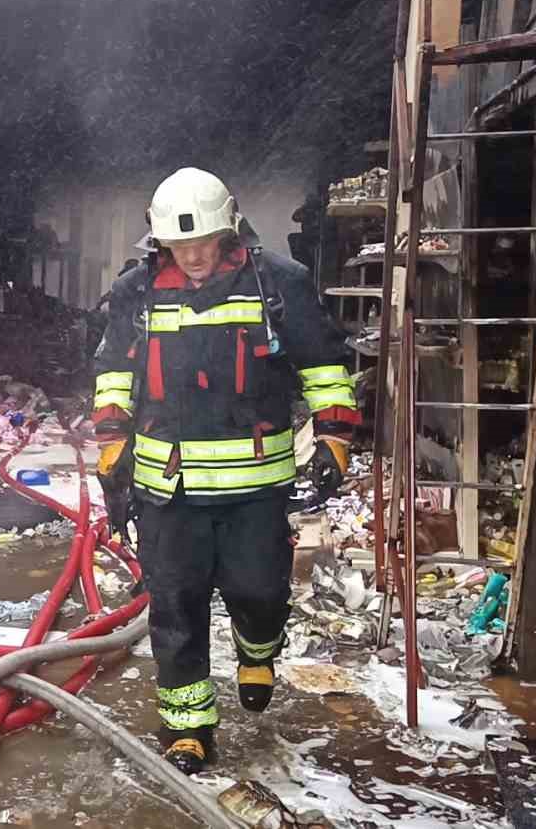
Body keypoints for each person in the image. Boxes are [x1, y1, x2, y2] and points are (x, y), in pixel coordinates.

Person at [91, 168, 360, 774]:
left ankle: (256, 651)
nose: (191, 257)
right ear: (158, 243)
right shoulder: (137, 292)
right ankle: (188, 727)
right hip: (170, 487)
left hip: (255, 487)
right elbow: (112, 370)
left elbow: (323, 364)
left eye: (202, 244)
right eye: (178, 247)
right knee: (176, 607)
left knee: (260, 593)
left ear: (229, 231)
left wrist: (334, 435)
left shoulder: (277, 285)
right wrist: (113, 443)